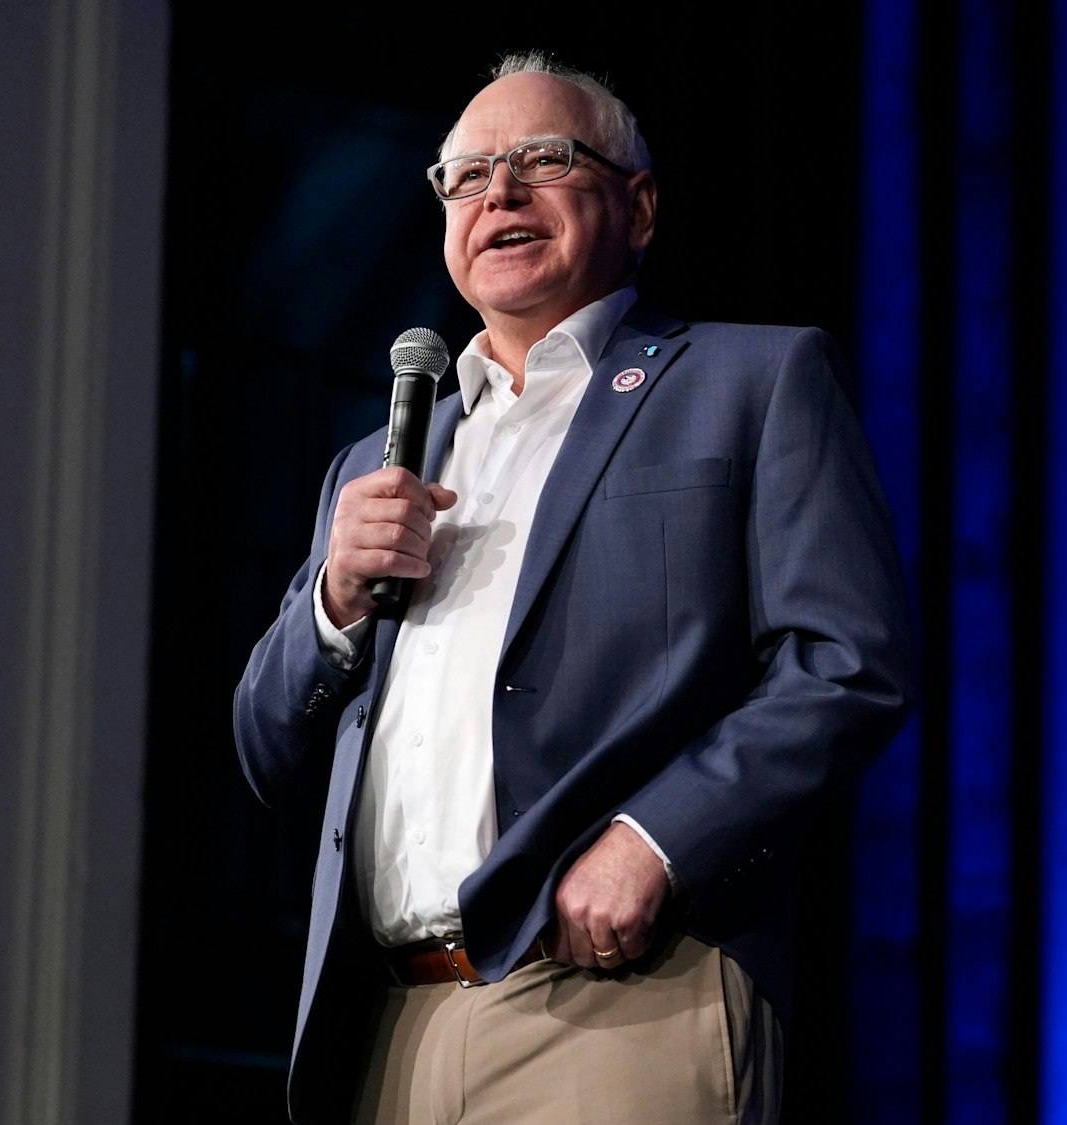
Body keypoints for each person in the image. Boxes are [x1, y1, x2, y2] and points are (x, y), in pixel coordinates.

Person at [233, 52, 914, 1125]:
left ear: (636, 206)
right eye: (464, 177)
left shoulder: (751, 382)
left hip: (617, 999)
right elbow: (269, 754)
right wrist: (334, 603)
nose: (496, 193)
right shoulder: (376, 462)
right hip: (387, 1026)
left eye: (541, 160)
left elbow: (844, 663)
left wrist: (657, 839)